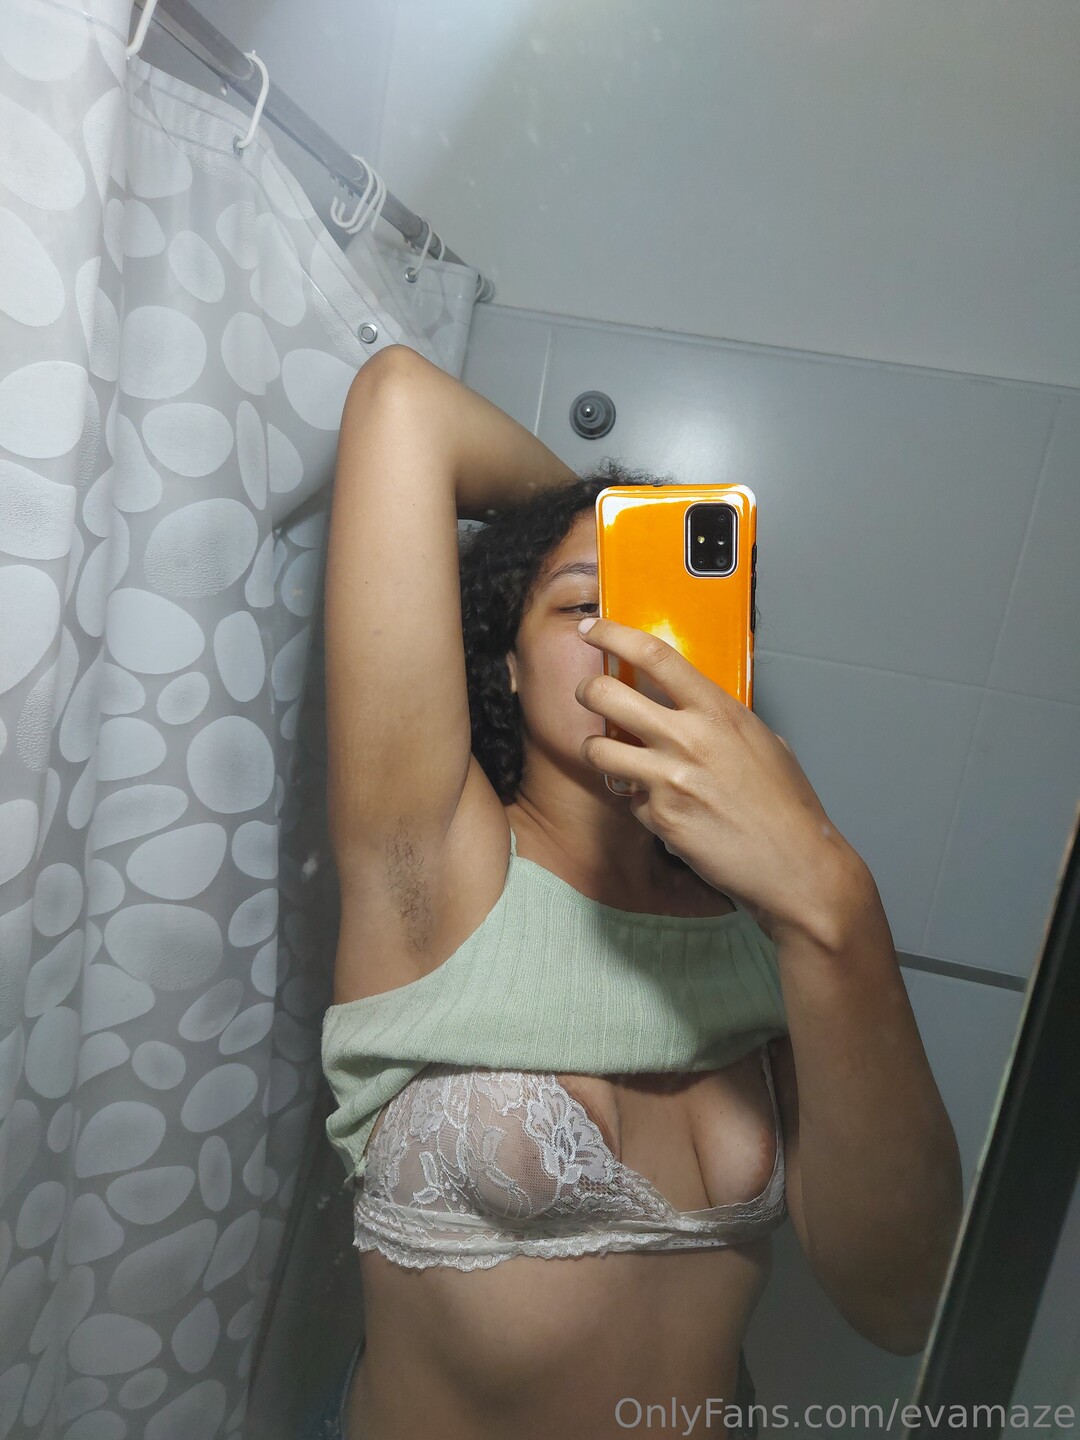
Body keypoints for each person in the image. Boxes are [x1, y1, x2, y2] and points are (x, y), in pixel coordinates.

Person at [314, 343, 964, 1440]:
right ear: (505, 665)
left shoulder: (773, 924)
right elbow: (402, 402)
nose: (626, 639)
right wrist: (604, 513)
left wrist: (832, 902)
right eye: (581, 605)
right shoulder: (437, 866)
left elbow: (904, 1303)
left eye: (661, 606)